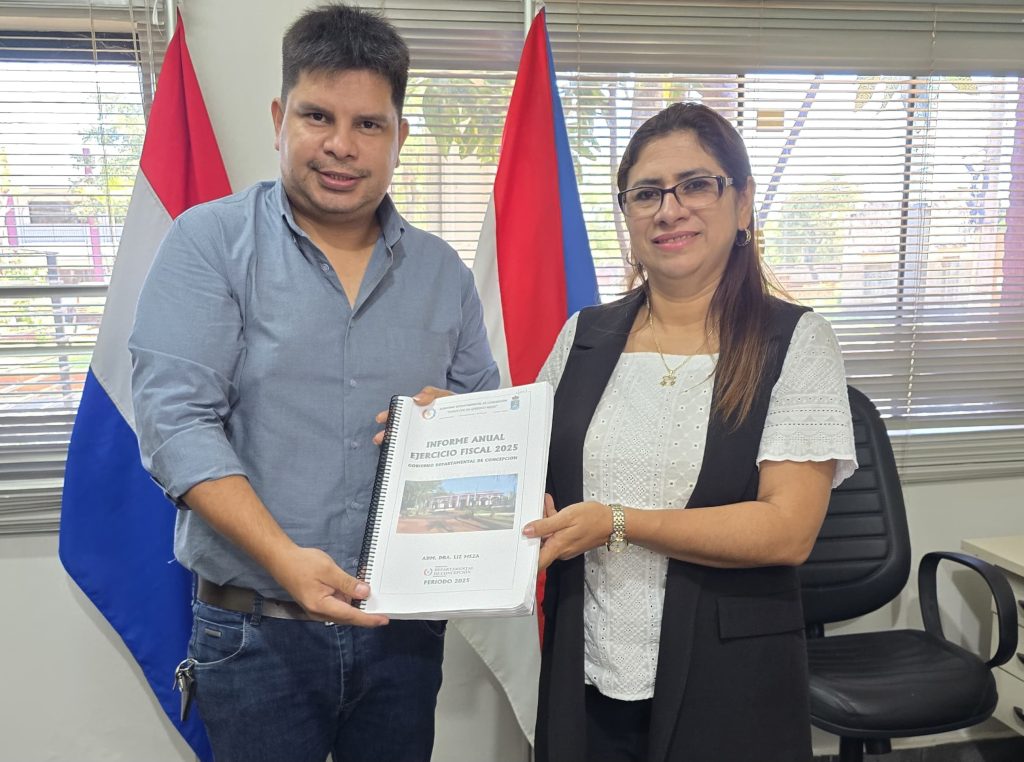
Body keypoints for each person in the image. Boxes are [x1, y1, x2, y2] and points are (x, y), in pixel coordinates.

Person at [129, 5, 498, 761]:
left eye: (369, 124)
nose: (342, 145)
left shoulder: (443, 273)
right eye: (318, 116)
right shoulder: (209, 243)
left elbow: (488, 424)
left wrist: (462, 424)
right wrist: (283, 558)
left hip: (402, 636)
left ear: (399, 135)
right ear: (279, 119)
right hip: (255, 634)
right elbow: (176, 424)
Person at [524, 102, 857, 762]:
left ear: (743, 202)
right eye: (646, 193)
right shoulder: (583, 336)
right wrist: (445, 430)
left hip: (729, 681)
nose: (668, 210)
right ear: (627, 215)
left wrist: (620, 521)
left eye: (696, 185)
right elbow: (529, 470)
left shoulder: (795, 341)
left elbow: (787, 530)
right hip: (587, 668)